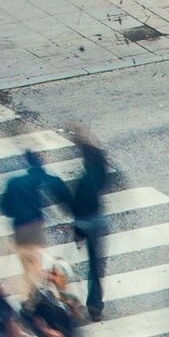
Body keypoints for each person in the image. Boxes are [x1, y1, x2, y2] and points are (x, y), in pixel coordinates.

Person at [0, 149, 73, 299]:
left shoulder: (14, 183)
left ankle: (35, 297)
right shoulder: (47, 179)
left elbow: (5, 208)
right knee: (34, 266)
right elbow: (65, 197)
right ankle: (41, 294)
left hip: (20, 229)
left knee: (30, 267)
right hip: (36, 228)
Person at [68, 128, 113, 318]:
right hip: (99, 222)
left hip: (88, 224)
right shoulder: (99, 174)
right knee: (97, 265)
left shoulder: (83, 183)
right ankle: (95, 303)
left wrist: (77, 232)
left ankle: (94, 304)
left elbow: (77, 209)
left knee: (94, 266)